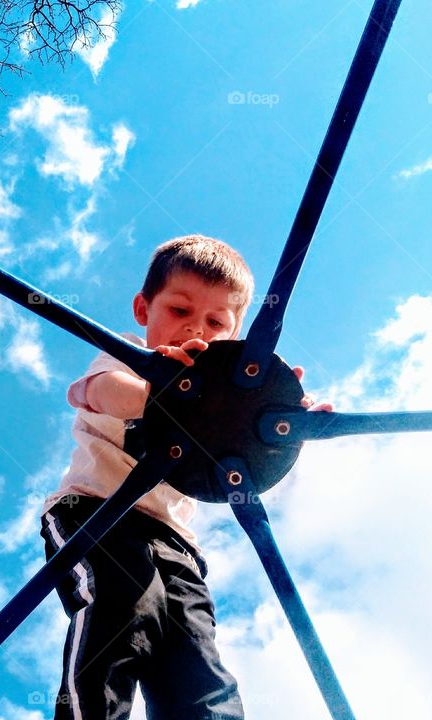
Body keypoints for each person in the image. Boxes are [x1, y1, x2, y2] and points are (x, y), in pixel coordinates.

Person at [40, 234, 313, 720]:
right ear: (144, 308)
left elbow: (252, 471)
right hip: (96, 513)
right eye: (180, 311)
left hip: (178, 545)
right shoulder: (129, 356)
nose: (197, 331)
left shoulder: (220, 394)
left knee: (197, 662)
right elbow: (97, 392)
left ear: (235, 336)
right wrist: (165, 393)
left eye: (215, 322)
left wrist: (276, 425)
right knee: (124, 604)